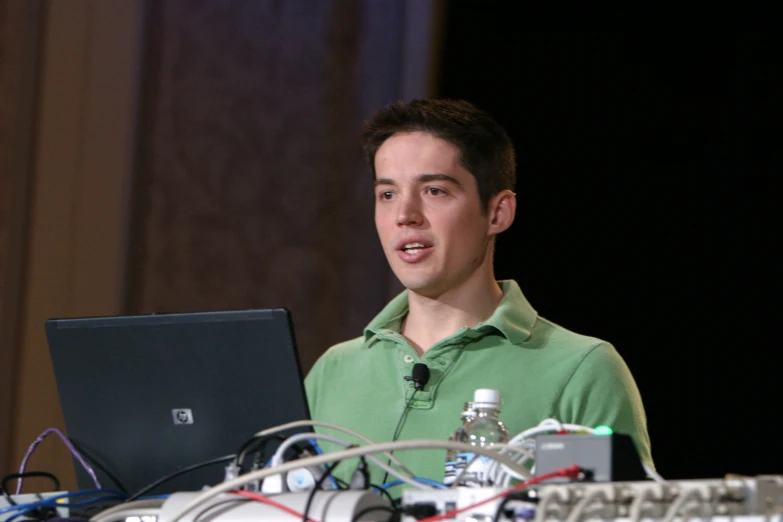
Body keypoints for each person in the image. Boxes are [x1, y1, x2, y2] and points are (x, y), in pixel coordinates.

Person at [304, 98, 652, 487]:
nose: (405, 214)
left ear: (497, 213)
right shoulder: (333, 370)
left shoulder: (582, 370)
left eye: (434, 190)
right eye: (387, 194)